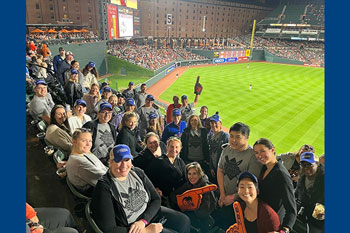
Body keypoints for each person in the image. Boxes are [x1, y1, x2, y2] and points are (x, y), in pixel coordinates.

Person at [90, 144, 191, 233]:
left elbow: (156, 199)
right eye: (118, 161)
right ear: (110, 162)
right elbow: (109, 229)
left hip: (148, 216)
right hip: (132, 228)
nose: (124, 165)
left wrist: (144, 221)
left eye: (126, 160)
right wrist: (146, 230)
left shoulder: (137, 172)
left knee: (184, 221)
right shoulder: (104, 187)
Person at [213, 122, 262, 230]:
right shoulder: (227, 149)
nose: (233, 140)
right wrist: (222, 193)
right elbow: (220, 170)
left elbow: (251, 186)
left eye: (238, 137)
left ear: (247, 137)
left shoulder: (252, 157)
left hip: (241, 202)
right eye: (231, 136)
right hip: (223, 196)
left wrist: (232, 197)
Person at [253, 138, 297, 233]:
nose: (259, 156)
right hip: (261, 217)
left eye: (262, 151)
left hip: (272, 224)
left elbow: (292, 210)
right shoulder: (265, 167)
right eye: (256, 152)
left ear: (272, 150)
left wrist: (283, 231)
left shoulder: (282, 175)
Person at [171, 162, 218, 233]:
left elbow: (204, 212)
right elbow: (174, 195)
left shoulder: (205, 188)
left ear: (199, 174)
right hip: (193, 217)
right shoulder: (188, 185)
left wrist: (192, 207)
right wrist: (184, 203)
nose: (191, 177)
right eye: (189, 174)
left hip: (205, 221)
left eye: (194, 173)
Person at [65, 128, 108, 196]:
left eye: (90, 141)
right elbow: (105, 180)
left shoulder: (84, 153)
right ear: (74, 141)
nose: (88, 144)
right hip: (98, 193)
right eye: (84, 141)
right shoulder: (79, 162)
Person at [295, 152, 324, 233]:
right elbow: (298, 192)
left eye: (309, 165)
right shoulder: (302, 175)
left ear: (317, 164)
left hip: (320, 222)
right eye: (303, 165)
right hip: (306, 217)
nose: (306, 168)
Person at [207, 113, 229, 183]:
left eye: (215, 123)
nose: (213, 125)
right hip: (214, 168)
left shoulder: (225, 136)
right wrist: (211, 167)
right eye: (212, 123)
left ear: (220, 124)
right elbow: (210, 152)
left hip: (222, 169)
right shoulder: (210, 136)